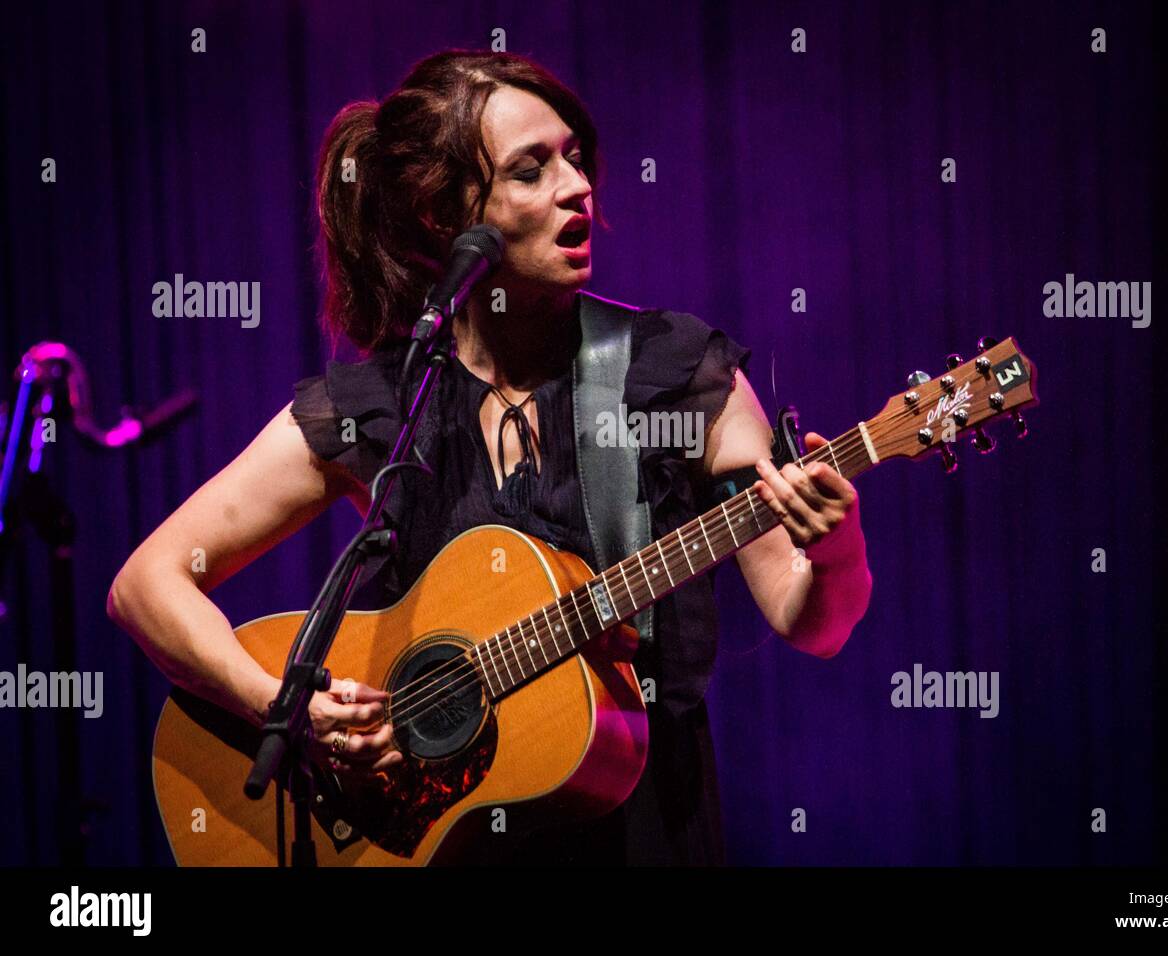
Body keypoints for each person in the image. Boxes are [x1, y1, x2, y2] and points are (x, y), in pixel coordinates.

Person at [107, 49, 872, 865]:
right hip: (439, 841)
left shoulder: (673, 372)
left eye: (575, 158)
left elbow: (812, 623)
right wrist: (283, 703)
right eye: (530, 170)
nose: (578, 187)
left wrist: (836, 549)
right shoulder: (380, 406)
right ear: (446, 217)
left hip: (645, 830)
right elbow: (145, 584)